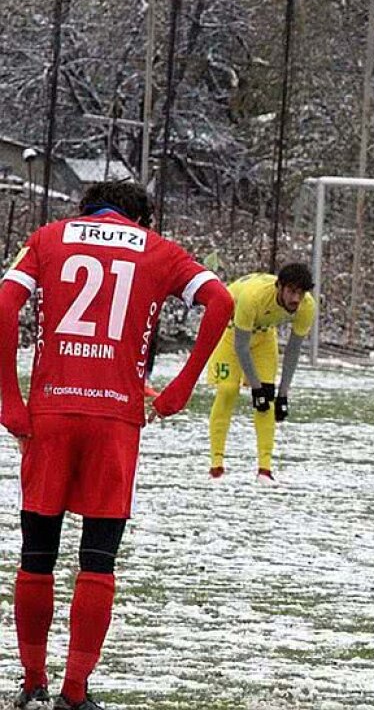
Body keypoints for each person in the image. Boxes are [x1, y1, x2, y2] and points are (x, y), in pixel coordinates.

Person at [0, 181, 233, 710]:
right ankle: (75, 692)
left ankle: (32, 682)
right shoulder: (158, 250)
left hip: (51, 413)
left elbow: (5, 302)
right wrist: (180, 387)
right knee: (97, 560)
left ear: (87, 211)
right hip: (114, 419)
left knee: (37, 554)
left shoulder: (49, 237)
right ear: (140, 218)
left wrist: (9, 399)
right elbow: (220, 300)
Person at [206, 264, 316, 485]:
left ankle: (264, 470)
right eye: (292, 292)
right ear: (279, 287)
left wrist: (283, 393)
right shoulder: (253, 297)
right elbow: (241, 346)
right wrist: (255, 386)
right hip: (230, 332)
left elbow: (293, 350)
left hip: (264, 336)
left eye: (301, 293)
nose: (296, 299)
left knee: (267, 400)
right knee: (228, 390)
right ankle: (216, 467)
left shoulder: (307, 306)